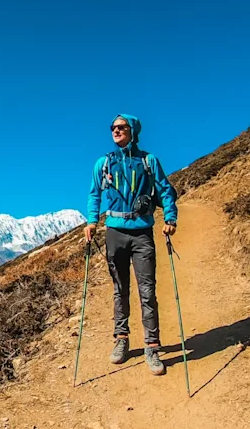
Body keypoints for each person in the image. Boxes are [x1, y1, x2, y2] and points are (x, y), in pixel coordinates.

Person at [84, 114, 178, 376]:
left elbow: (166, 190)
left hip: (142, 232)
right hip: (114, 232)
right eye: (113, 127)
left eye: (121, 127)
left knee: (147, 290)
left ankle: (152, 346)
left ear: (133, 130)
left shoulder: (149, 161)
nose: (115, 131)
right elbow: (95, 193)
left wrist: (170, 218)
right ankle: (121, 339)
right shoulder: (103, 163)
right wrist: (92, 222)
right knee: (120, 288)